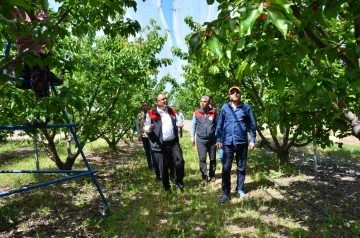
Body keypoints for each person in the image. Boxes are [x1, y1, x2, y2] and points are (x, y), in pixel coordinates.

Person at [215, 86, 256, 203]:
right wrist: (218, 138)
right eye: (232, 92)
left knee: (241, 167)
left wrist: (252, 139)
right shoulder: (225, 107)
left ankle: (240, 189)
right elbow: (220, 125)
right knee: (226, 168)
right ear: (229, 95)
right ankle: (226, 192)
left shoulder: (246, 108)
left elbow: (252, 125)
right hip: (227, 142)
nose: (235, 94)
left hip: (242, 141)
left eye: (237, 92)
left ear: (240, 94)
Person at [144, 93, 185, 192]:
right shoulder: (151, 113)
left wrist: (178, 124)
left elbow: (175, 122)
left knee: (180, 162)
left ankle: (179, 182)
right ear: (157, 102)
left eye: (166, 99)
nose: (165, 100)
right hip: (160, 144)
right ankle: (167, 187)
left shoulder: (171, 111)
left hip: (173, 142)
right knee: (164, 167)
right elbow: (145, 127)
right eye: (162, 99)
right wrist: (150, 128)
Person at [11, 7, 52, 100]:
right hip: (24, 55)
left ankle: (42, 106)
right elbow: (7, 18)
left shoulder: (39, 7)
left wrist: (28, 10)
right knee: (16, 75)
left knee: (39, 76)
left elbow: (42, 28)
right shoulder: (16, 8)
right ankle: (46, 76)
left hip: (40, 53)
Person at [191, 95, 217, 186]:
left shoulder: (214, 112)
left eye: (204, 101)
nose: (202, 103)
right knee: (202, 159)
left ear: (208, 102)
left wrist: (218, 138)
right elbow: (193, 126)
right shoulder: (196, 113)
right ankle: (204, 176)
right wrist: (192, 137)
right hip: (200, 140)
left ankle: (212, 175)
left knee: (212, 158)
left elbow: (217, 126)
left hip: (212, 140)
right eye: (201, 101)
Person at [136, 102, 160, 180]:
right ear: (142, 107)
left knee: (152, 150)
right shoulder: (139, 115)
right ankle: (149, 165)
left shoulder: (151, 113)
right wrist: (139, 134)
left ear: (148, 106)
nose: (144, 106)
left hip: (151, 135)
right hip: (144, 135)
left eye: (146, 105)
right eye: (143, 105)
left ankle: (154, 165)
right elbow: (138, 125)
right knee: (147, 151)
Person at [209, 96, 223, 163]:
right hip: (208, 134)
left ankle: (223, 163)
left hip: (216, 133)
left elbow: (219, 122)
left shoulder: (216, 110)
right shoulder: (202, 110)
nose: (210, 101)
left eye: (211, 100)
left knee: (219, 147)